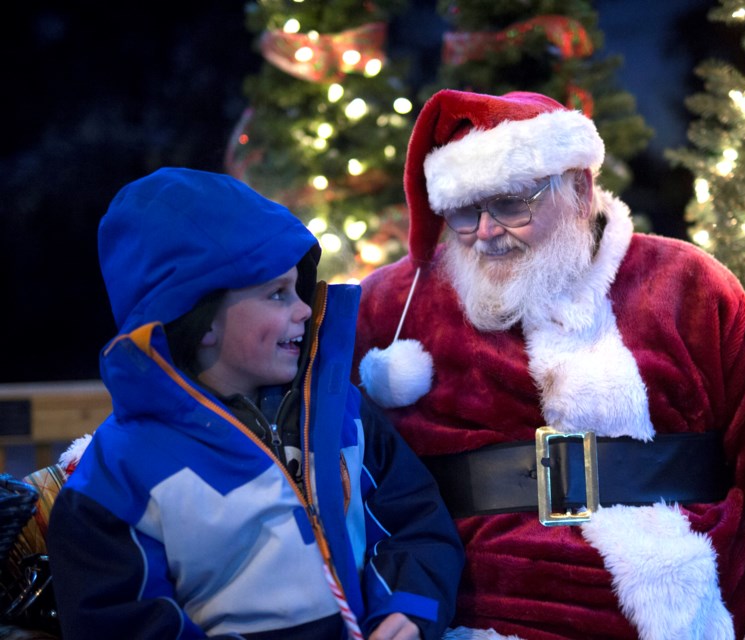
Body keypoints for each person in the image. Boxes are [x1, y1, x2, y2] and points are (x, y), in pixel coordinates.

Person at [351, 90, 745, 640]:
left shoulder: (684, 282)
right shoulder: (392, 306)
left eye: (512, 205)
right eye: (467, 213)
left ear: (579, 188)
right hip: (488, 612)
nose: (488, 232)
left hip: (694, 608)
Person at [46, 167, 464, 640]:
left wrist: (405, 609)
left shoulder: (343, 416)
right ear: (201, 320)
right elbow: (119, 621)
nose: (305, 308)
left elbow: (414, 522)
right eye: (277, 294)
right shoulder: (120, 474)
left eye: (297, 288)